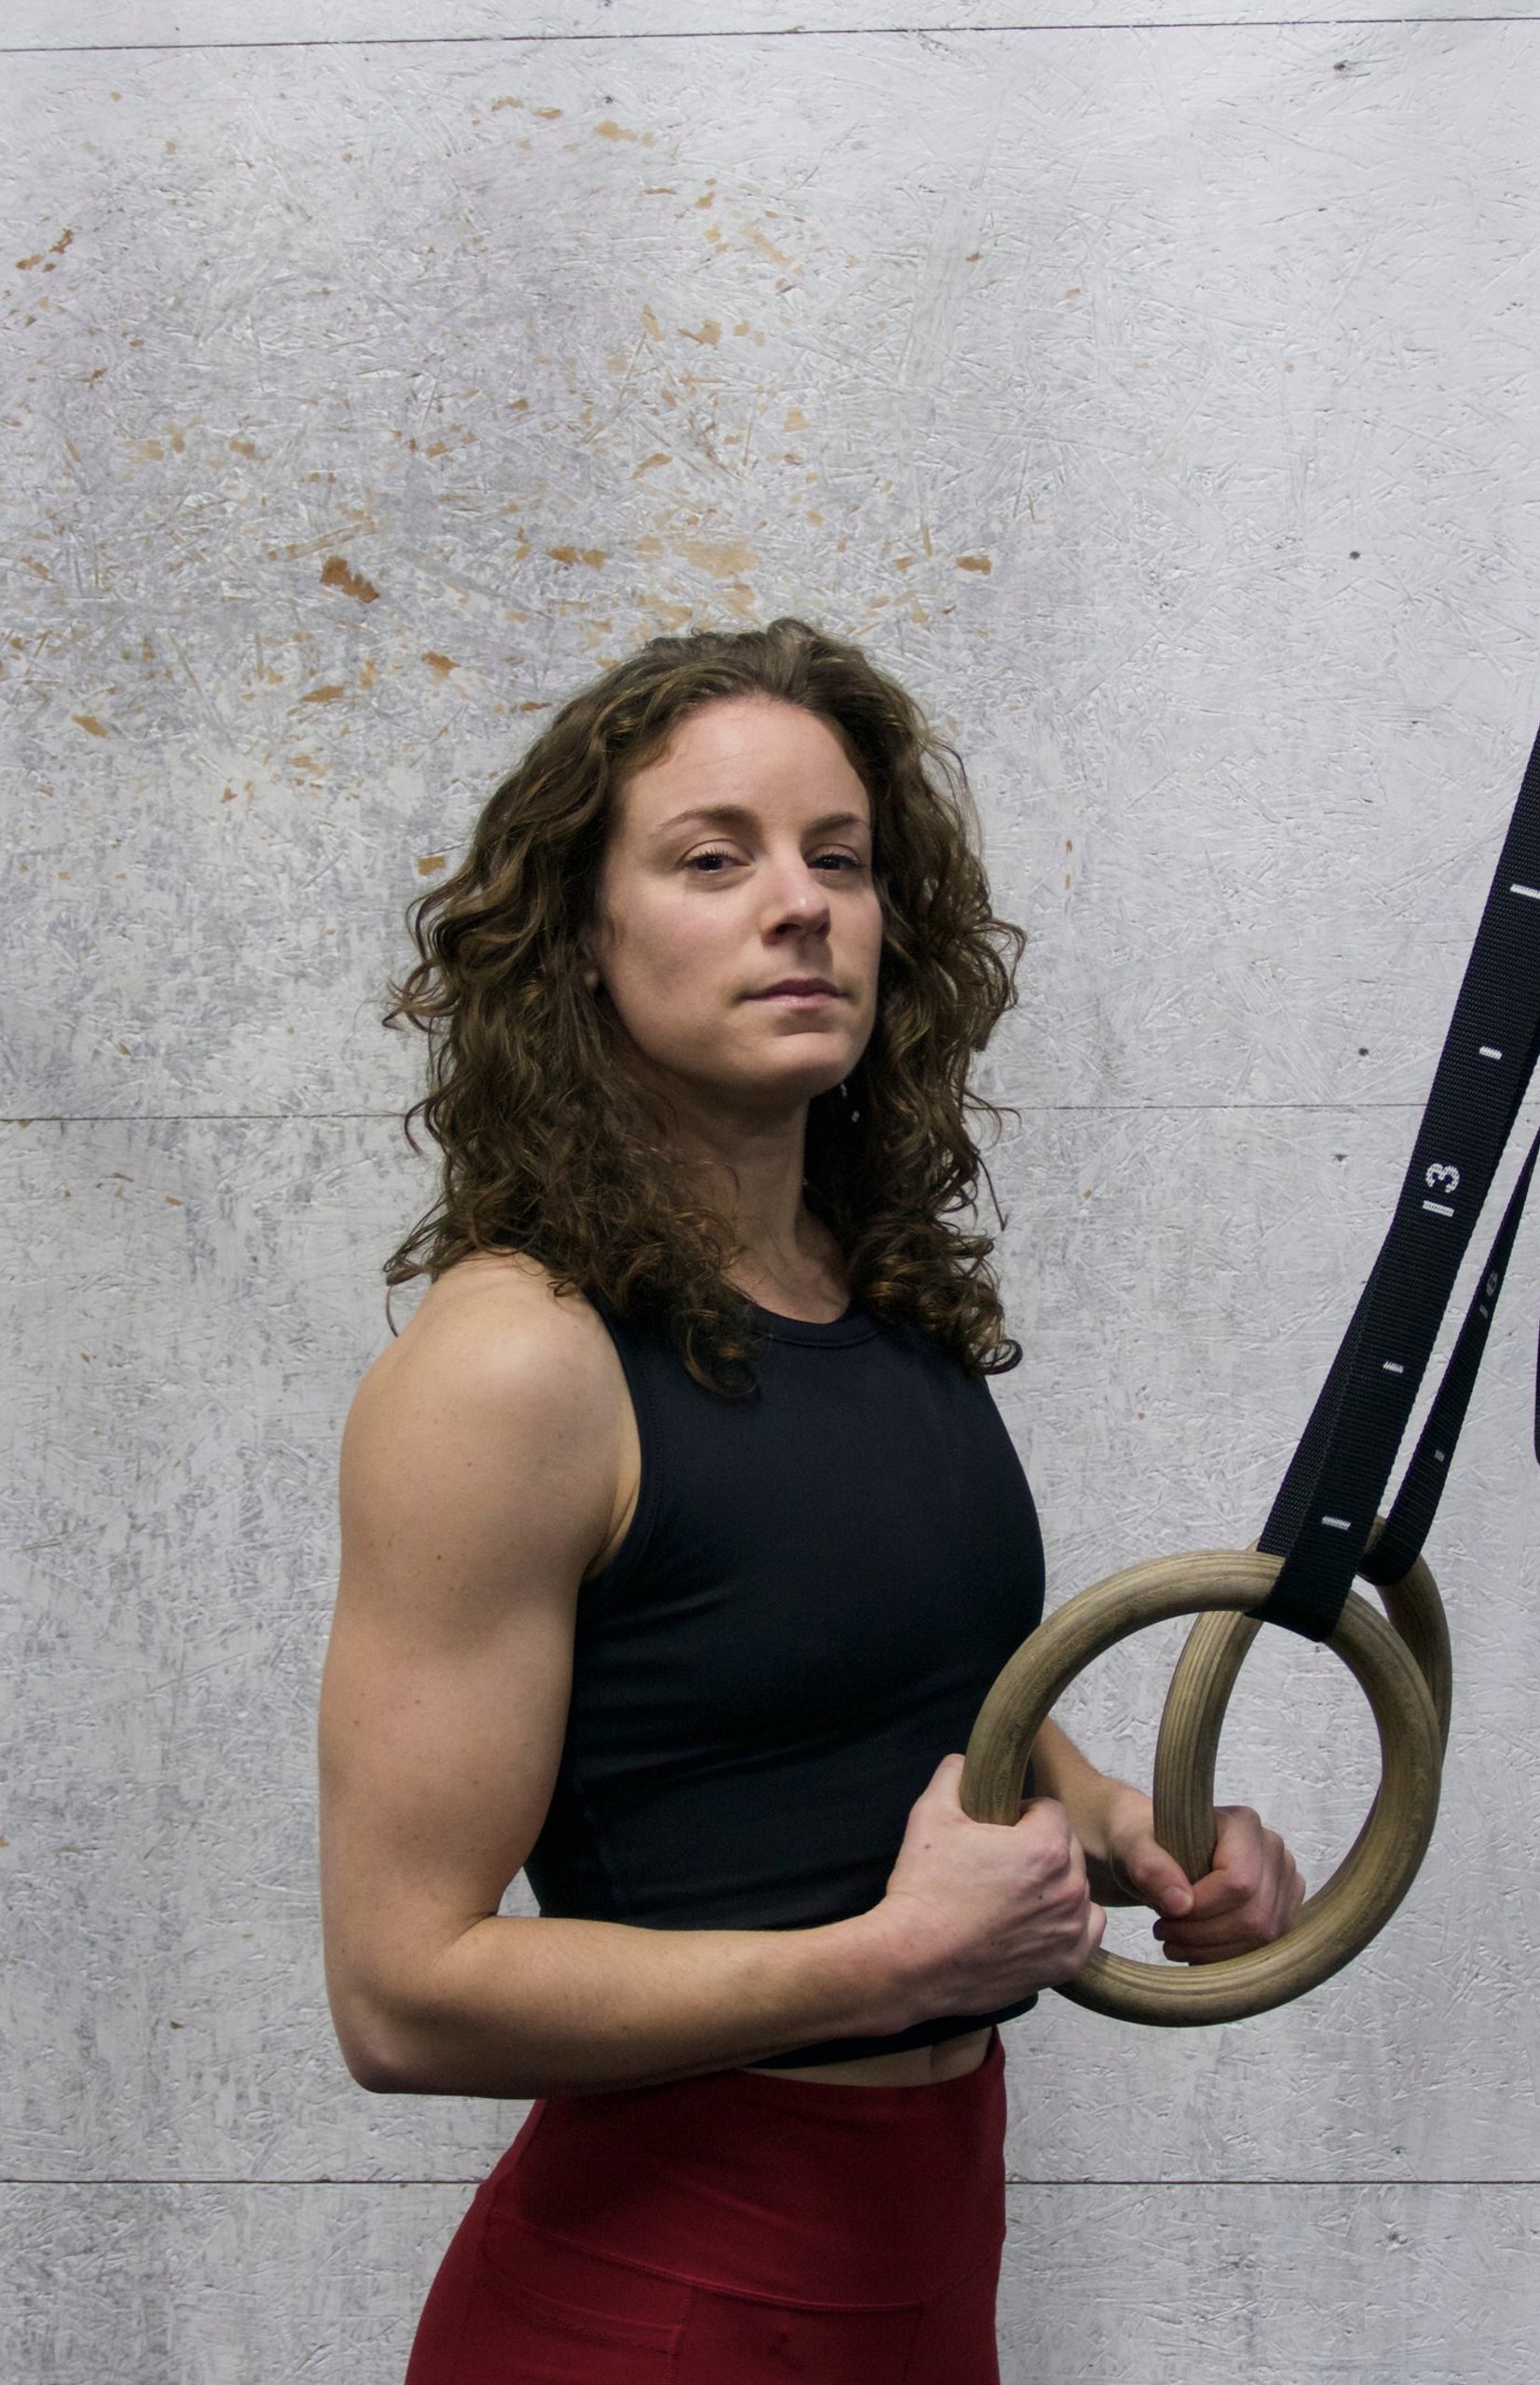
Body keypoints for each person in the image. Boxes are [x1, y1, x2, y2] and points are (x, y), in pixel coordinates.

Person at [318, 618, 1304, 2382]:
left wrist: (1142, 1847)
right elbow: (401, 1994)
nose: (803, 906)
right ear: (579, 947)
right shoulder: (514, 1367)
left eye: (838, 860)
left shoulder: (883, 1305)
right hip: (662, 2309)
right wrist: (891, 1961)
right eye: (716, 859)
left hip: (930, 2269)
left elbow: (908, 1734)